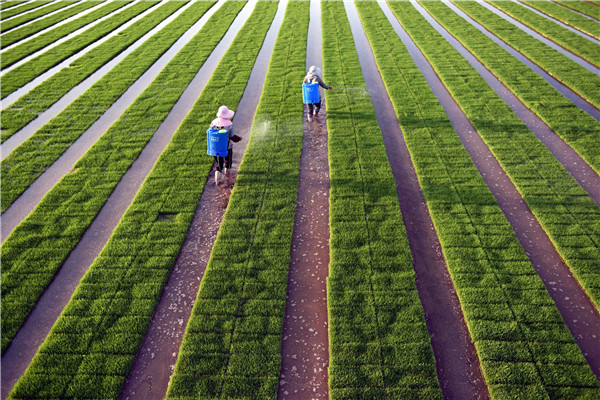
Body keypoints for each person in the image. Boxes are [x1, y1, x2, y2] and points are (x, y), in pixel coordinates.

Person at [210, 105, 241, 185]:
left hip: (216, 148)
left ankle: (217, 182)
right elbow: (232, 136)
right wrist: (238, 139)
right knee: (228, 162)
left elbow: (211, 133)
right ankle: (228, 177)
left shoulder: (213, 122)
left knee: (218, 165)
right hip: (227, 147)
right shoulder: (229, 124)